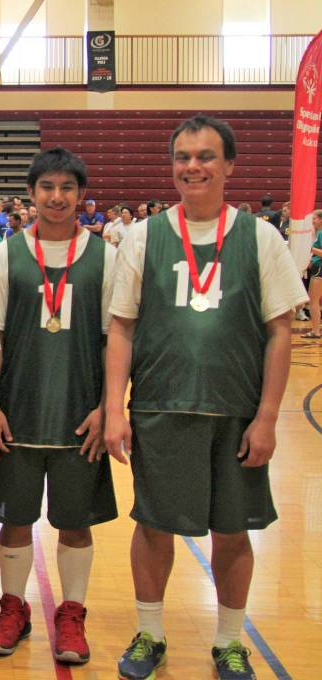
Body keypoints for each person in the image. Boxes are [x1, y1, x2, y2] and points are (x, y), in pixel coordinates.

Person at [105, 115, 307, 680]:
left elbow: (280, 332)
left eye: (206, 156)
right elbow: (121, 327)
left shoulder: (260, 237)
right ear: (172, 167)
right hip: (161, 409)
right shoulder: (143, 237)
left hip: (236, 412)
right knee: (153, 526)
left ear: (229, 166)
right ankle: (150, 634)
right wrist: (115, 408)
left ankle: (228, 640)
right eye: (183, 157)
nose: (193, 166)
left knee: (234, 530)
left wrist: (267, 418)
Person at [0, 147, 116, 666]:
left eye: (67, 188)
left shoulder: (105, 255)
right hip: (15, 412)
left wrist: (108, 407)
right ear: (31, 194)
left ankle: (72, 613)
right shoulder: (4, 255)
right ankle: (13, 608)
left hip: (81, 414)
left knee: (74, 521)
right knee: (14, 519)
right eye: (47, 188)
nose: (56, 197)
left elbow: (114, 338)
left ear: (81, 196)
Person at [304, 210, 322, 339]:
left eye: (314, 218)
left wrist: (309, 248)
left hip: (320, 268)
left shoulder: (321, 233)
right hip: (317, 266)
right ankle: (315, 330)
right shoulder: (318, 233)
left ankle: (316, 331)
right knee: (313, 300)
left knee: (314, 300)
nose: (312, 221)